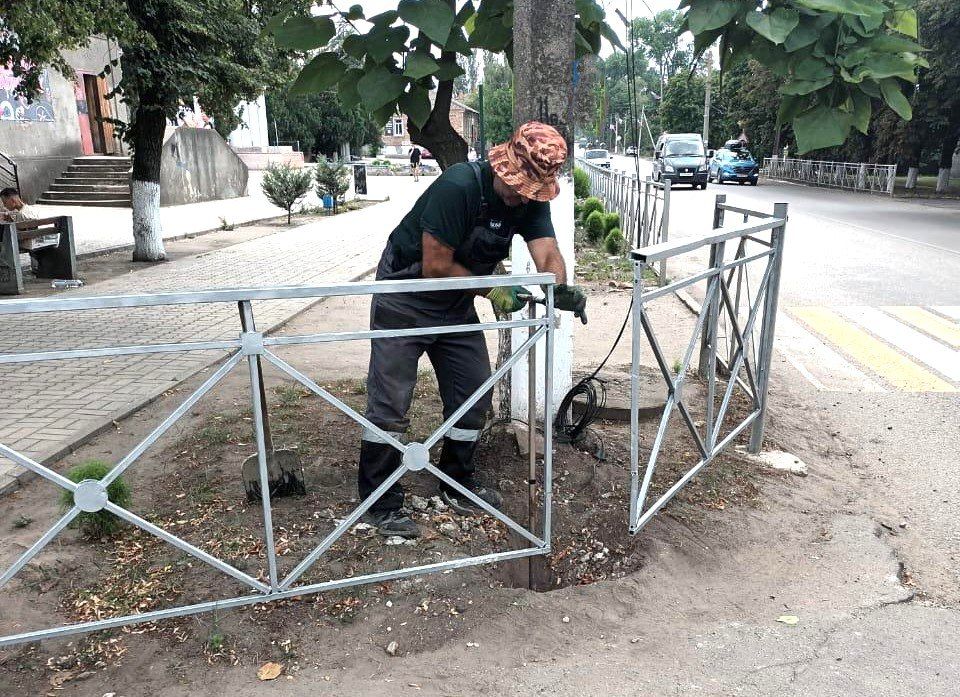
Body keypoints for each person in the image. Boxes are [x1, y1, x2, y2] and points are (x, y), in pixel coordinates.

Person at [358, 121, 587, 538]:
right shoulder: (459, 186)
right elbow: (434, 266)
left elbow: (548, 252)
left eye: (533, 191)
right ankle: (380, 501)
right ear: (504, 168)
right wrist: (493, 288)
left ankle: (456, 481)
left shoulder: (531, 199)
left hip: (454, 303)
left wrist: (558, 287)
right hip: (405, 296)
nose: (525, 198)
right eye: (520, 188)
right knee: (391, 400)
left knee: (473, 390)